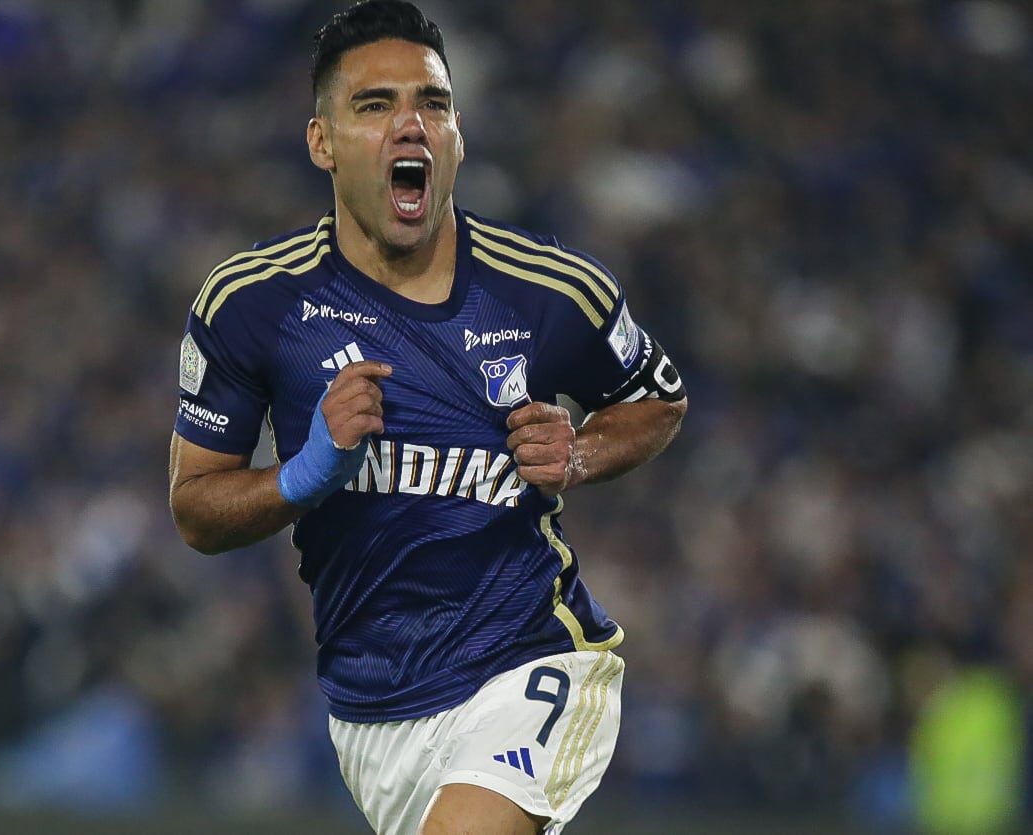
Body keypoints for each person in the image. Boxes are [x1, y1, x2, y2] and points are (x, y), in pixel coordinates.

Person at [168, 2, 687, 832]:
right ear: (321, 142)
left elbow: (658, 398)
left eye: (433, 105)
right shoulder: (251, 305)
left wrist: (580, 454)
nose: (410, 125)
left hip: (530, 664)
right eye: (375, 106)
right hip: (370, 710)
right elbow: (196, 508)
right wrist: (304, 472)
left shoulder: (550, 290)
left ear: (456, 137)